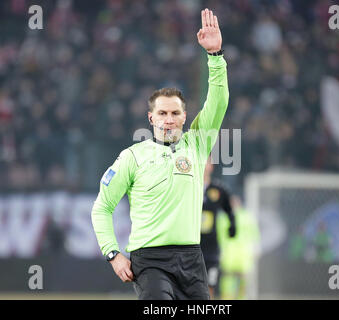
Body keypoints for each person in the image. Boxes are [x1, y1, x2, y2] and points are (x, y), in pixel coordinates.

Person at [91, 8, 229, 300]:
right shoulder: (132, 156)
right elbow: (102, 207)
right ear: (151, 119)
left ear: (184, 116)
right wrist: (113, 254)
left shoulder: (197, 144)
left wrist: (215, 56)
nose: (169, 119)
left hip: (193, 260)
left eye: (175, 113)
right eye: (162, 113)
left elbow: (218, 102)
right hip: (149, 261)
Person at [200, 158, 236, 299]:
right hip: (190, 246)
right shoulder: (187, 187)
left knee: (209, 285)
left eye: (206, 162)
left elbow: (229, 209)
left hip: (211, 249)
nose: (203, 165)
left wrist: (233, 225)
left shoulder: (218, 190)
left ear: (211, 166)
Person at [217, 196, 260, 299]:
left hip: (244, 255)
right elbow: (219, 236)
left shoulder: (247, 216)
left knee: (243, 279)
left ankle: (242, 298)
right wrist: (219, 251)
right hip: (229, 255)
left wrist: (256, 247)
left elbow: (254, 234)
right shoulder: (222, 218)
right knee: (228, 280)